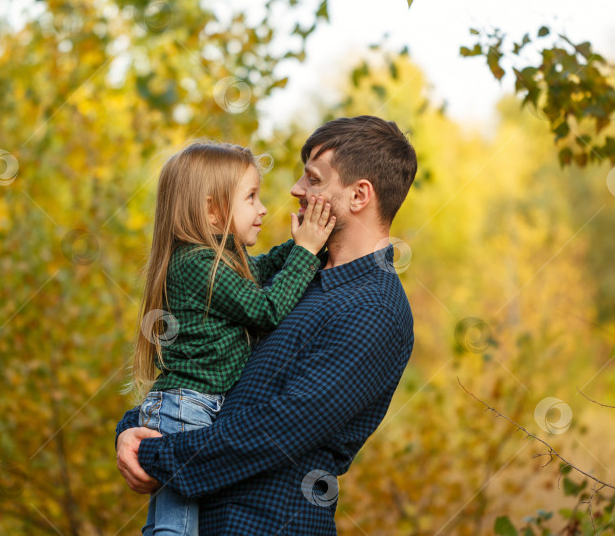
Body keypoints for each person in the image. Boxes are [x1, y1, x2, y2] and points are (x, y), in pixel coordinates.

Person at [116, 116, 418, 535]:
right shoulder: (295, 279)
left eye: (313, 179)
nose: (296, 190)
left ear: (359, 195)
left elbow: (278, 429)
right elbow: (206, 369)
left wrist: (156, 454)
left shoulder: (375, 308)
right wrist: (135, 429)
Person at [125, 141, 336, 535]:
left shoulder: (213, 261)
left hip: (189, 405)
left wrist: (300, 244)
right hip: (187, 409)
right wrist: (307, 251)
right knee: (177, 528)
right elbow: (267, 308)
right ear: (210, 209)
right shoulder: (198, 264)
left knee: (171, 525)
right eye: (251, 197)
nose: (263, 209)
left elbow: (260, 270)